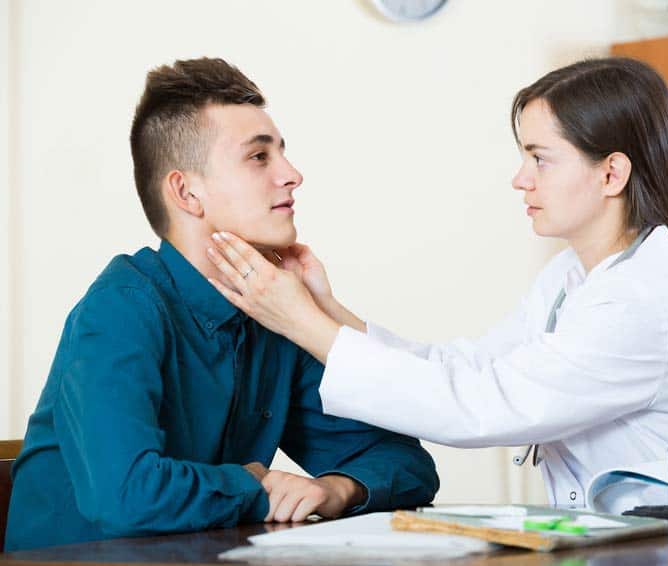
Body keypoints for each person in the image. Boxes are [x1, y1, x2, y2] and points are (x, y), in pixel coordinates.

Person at [204, 58, 668, 512]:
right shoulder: (572, 276)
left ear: (611, 174)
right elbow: (470, 367)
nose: (521, 178)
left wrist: (298, 321)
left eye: (540, 158)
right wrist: (328, 309)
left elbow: (478, 405)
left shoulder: (641, 300)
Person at [5, 58, 438, 552]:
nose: (292, 175)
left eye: (282, 154)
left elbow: (405, 463)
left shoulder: (268, 312)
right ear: (187, 192)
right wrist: (251, 484)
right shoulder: (119, 310)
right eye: (259, 157)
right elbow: (126, 496)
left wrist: (333, 489)